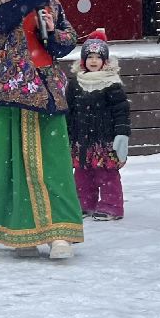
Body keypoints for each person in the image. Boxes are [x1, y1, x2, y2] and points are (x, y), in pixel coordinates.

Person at [0, 0, 93, 259]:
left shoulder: (49, 2)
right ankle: (22, 232)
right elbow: (14, 6)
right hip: (16, 92)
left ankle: (60, 235)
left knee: (54, 165)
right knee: (17, 164)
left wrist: (54, 34)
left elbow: (68, 39)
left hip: (49, 91)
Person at [67, 29, 131, 221]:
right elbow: (69, 111)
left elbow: (121, 112)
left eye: (98, 57)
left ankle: (111, 206)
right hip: (81, 139)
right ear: (83, 60)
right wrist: (68, 134)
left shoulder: (112, 84)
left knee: (106, 174)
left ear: (105, 61)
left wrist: (122, 134)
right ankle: (84, 203)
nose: (93, 61)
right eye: (89, 57)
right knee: (82, 173)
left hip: (105, 140)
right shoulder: (75, 84)